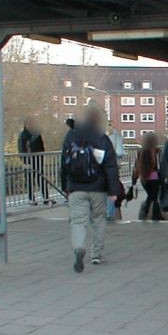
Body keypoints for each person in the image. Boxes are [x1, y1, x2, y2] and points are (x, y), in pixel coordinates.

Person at [61, 104, 122, 271]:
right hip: (98, 188)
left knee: (78, 222)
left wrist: (65, 186)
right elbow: (111, 166)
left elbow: (63, 162)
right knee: (98, 221)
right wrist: (113, 190)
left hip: (75, 187)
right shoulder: (102, 138)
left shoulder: (71, 136)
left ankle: (79, 247)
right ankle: (96, 255)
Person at [133, 133, 164, 222]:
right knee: (154, 197)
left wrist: (134, 182)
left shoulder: (141, 152)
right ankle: (154, 214)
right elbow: (162, 165)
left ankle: (146, 213)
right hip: (155, 178)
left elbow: (136, 168)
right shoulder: (157, 151)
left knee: (150, 196)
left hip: (144, 178)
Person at [19, 118, 49, 205]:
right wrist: (25, 162)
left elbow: (41, 147)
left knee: (41, 180)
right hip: (29, 162)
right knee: (30, 181)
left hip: (38, 161)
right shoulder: (23, 136)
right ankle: (31, 199)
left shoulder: (36, 134)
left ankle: (46, 198)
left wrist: (41, 158)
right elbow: (21, 149)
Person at [106, 122, 126, 221]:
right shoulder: (116, 135)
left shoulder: (94, 135)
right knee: (113, 195)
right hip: (111, 169)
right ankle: (112, 217)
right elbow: (120, 152)